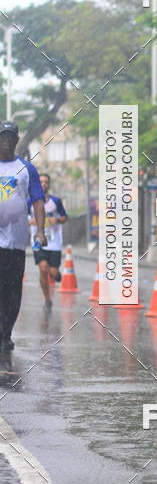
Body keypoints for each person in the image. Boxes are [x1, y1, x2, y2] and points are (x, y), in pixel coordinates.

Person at [0, 121, 46, 349]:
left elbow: (38, 202)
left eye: (10, 137)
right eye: (2, 136)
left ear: (17, 140)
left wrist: (40, 230)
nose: (6, 140)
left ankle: (5, 333)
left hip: (17, 242)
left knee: (13, 289)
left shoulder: (26, 169)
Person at [29, 173, 68, 310]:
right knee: (43, 268)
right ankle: (47, 300)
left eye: (46, 182)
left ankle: (56, 275)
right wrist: (40, 222)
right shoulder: (30, 201)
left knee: (52, 272)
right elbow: (25, 220)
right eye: (41, 182)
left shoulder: (56, 201)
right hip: (38, 241)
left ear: (49, 185)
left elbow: (65, 217)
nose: (43, 184)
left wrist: (56, 220)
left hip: (54, 242)